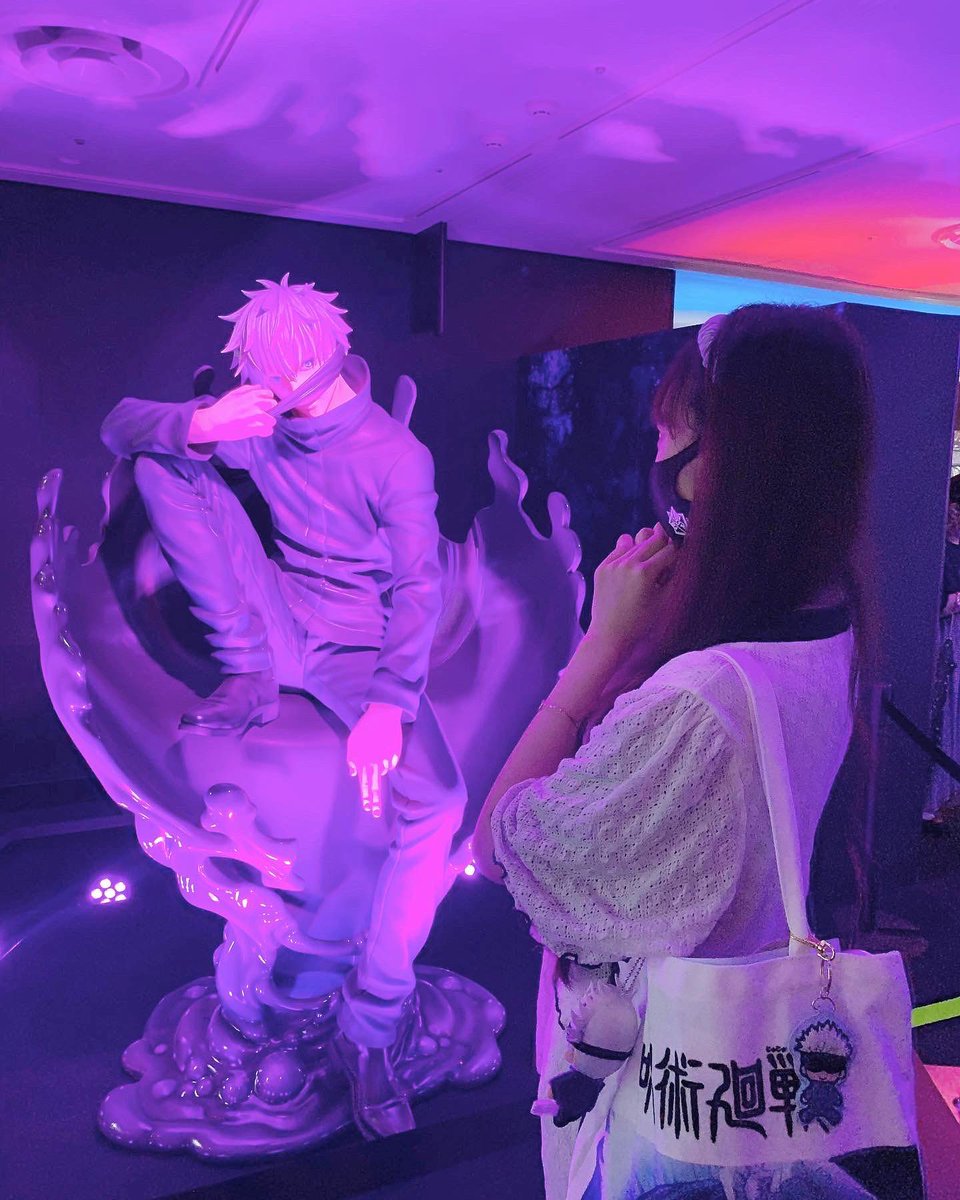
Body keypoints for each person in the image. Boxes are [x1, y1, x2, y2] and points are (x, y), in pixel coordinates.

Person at [474, 304, 876, 1199]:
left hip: (666, 1100)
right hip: (744, 1058)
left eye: (669, 430)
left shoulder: (699, 703)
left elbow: (501, 844)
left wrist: (597, 650)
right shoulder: (828, 616)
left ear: (721, 463)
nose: (655, 454)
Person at [101, 274, 466, 1138]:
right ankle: (247, 671)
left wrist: (388, 706)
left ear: (330, 356)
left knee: (440, 802)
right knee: (160, 457)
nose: (275, 392)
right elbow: (119, 426)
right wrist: (203, 425)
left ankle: (371, 1026)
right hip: (273, 618)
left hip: (355, 646)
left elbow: (419, 587)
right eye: (263, 377)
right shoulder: (263, 417)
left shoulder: (395, 456)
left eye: (287, 376)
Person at [926, 472, 960, 826]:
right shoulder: (938, 548)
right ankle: (929, 799)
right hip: (945, 637)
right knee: (941, 708)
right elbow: (930, 602)